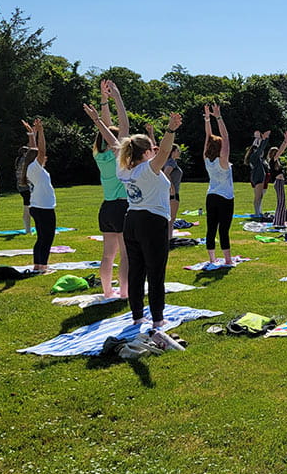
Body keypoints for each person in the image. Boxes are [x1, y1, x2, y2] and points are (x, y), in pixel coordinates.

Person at [86, 103, 183, 327]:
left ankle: (138, 316)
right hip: (152, 222)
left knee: (137, 272)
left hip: (132, 221)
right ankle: (158, 320)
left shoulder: (124, 169)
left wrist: (97, 121)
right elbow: (166, 151)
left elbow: (113, 141)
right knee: (156, 273)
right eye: (151, 148)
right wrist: (170, 130)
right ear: (146, 152)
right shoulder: (148, 168)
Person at [84, 79, 130, 298]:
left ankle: (106, 292)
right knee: (126, 255)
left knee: (107, 256)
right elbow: (124, 125)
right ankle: (124, 293)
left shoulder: (98, 154)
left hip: (106, 208)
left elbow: (107, 129)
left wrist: (104, 100)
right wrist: (117, 97)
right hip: (122, 207)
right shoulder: (117, 153)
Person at [20, 119, 56, 273]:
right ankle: (42, 266)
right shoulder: (36, 166)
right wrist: (41, 132)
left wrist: (31, 133)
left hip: (37, 206)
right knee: (46, 238)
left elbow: (33, 150)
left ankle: (38, 265)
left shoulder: (29, 168)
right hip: (44, 208)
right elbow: (41, 150)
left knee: (41, 237)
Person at [203, 104, 235, 265]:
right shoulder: (223, 161)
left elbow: (207, 136)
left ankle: (211, 258)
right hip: (225, 198)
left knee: (211, 228)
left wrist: (207, 118)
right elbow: (226, 137)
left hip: (211, 196)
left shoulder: (207, 159)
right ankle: (228, 259)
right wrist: (218, 117)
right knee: (223, 229)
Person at [268, 131, 287, 228]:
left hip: (280, 182)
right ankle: (279, 222)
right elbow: (281, 151)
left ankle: (279, 221)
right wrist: (285, 141)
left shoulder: (275, 162)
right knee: (281, 202)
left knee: (281, 202)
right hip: (278, 182)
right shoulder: (272, 161)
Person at [245, 130, 270, 217]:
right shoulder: (254, 156)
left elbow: (260, 149)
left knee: (260, 196)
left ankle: (258, 212)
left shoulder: (253, 157)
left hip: (257, 176)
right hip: (258, 177)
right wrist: (265, 139)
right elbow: (261, 148)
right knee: (258, 197)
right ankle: (257, 213)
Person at [14, 146, 32, 235]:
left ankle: (28, 228)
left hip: (21, 187)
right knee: (28, 207)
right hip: (26, 187)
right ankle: (28, 229)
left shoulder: (18, 160)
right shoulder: (25, 161)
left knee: (27, 206)